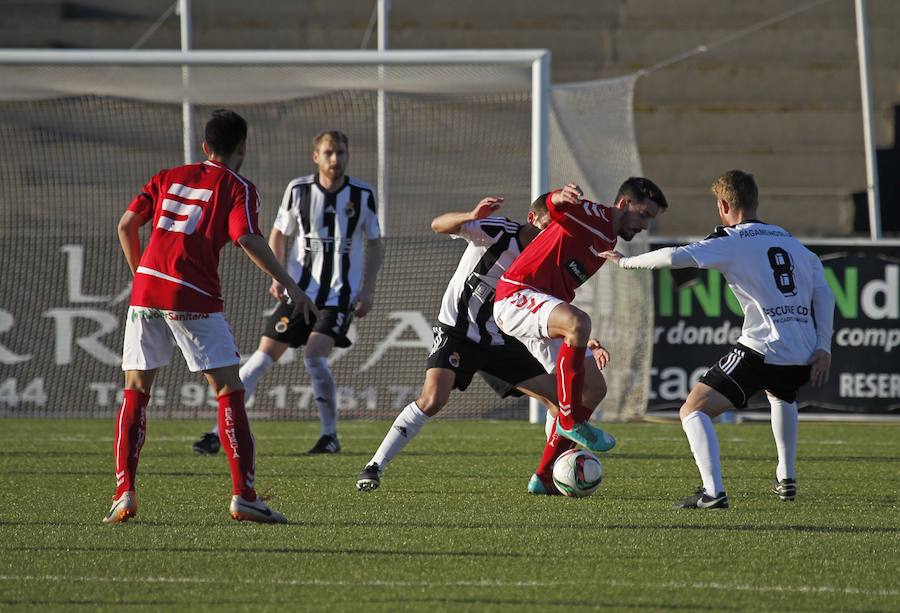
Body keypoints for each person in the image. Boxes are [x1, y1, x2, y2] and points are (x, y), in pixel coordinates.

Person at [106, 109, 317, 524]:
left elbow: (126, 225)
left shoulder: (167, 175)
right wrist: (290, 285)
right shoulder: (239, 187)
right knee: (228, 390)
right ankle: (245, 496)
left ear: (205, 147)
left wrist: (142, 277)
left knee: (135, 390)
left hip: (145, 290)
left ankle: (124, 492)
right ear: (242, 148)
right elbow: (246, 237)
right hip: (193, 293)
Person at [602, 169, 835, 509]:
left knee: (693, 409)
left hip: (764, 346)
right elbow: (824, 294)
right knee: (782, 395)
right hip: (802, 350)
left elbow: (672, 257)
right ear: (755, 201)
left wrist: (626, 263)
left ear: (724, 205)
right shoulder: (792, 242)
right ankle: (786, 477)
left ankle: (713, 492)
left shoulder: (731, 241)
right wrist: (824, 345)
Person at [355, 194, 610, 493]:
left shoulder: (548, 261)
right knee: (433, 399)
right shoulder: (499, 231)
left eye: (557, 228)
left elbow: (553, 311)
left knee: (562, 401)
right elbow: (438, 225)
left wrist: (584, 340)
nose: (551, 232)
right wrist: (470, 215)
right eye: (547, 224)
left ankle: (553, 471)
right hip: (458, 332)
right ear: (532, 219)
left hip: (499, 340)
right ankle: (374, 466)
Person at [192, 130, 383, 456]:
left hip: (338, 297)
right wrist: (278, 275)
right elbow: (279, 233)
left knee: (314, 357)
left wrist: (367, 289)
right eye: (328, 153)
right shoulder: (298, 190)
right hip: (298, 293)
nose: (335, 159)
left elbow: (375, 242)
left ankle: (329, 435)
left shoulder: (362, 194)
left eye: (340, 153)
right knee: (258, 361)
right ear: (316, 156)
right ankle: (218, 433)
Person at [493, 179, 669, 488]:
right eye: (644, 215)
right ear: (624, 204)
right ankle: (569, 418)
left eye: (650, 219)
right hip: (515, 295)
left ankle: (544, 477)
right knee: (578, 321)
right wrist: (556, 197)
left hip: (542, 309)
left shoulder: (608, 241)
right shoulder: (592, 215)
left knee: (594, 388)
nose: (645, 225)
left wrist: (583, 340)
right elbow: (553, 207)